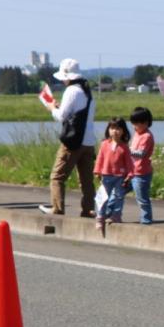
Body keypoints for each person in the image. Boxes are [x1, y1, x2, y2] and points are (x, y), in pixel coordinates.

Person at [40, 57, 97, 217]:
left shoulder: (71, 91)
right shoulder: (87, 91)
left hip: (73, 142)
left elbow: (62, 117)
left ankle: (57, 208)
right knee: (86, 180)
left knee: (57, 176)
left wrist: (52, 107)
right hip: (89, 141)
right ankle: (88, 209)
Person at [93, 117, 134, 231]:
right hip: (106, 175)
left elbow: (129, 163)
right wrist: (97, 171)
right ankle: (100, 217)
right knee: (103, 197)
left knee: (118, 197)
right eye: (112, 128)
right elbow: (100, 158)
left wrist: (130, 175)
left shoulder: (124, 147)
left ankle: (116, 216)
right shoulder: (104, 144)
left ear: (123, 131)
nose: (115, 131)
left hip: (120, 176)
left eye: (118, 129)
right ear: (108, 130)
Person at [128, 106, 155, 225]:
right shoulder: (137, 133)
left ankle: (146, 220)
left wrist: (126, 150)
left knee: (142, 199)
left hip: (141, 172)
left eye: (137, 123)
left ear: (146, 123)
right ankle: (111, 213)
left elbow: (141, 154)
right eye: (133, 123)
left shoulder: (147, 136)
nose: (135, 126)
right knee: (117, 193)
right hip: (131, 171)